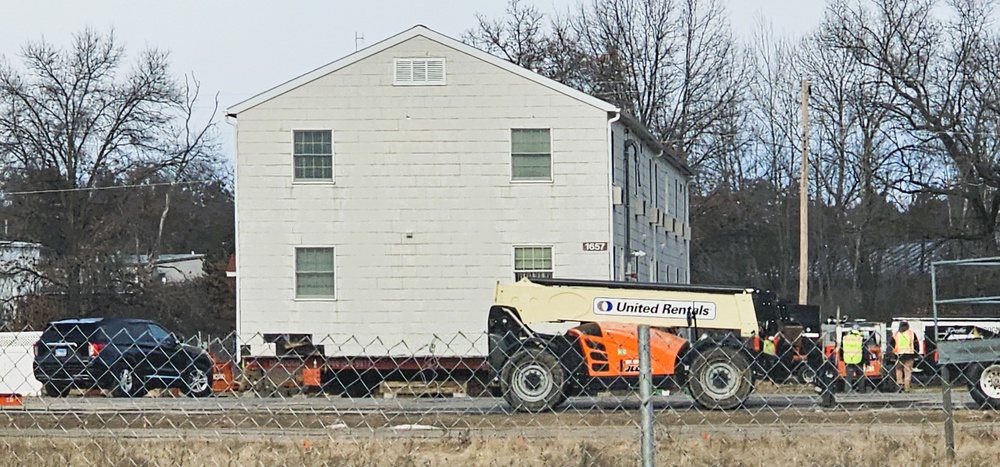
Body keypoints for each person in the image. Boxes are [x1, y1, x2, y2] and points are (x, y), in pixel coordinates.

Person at [893, 321, 919, 392]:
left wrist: (892, 355)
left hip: (899, 355)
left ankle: (899, 385)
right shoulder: (911, 334)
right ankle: (907, 388)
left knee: (898, 370)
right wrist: (916, 354)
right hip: (910, 354)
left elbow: (891, 344)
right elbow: (916, 345)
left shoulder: (896, 334)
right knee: (907, 371)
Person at [841, 325, 865, 393]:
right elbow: (864, 349)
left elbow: (842, 348)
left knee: (849, 377)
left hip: (848, 359)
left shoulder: (846, 338)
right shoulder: (860, 338)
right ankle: (862, 390)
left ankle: (847, 390)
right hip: (858, 359)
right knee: (860, 376)